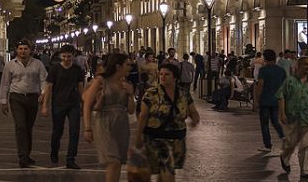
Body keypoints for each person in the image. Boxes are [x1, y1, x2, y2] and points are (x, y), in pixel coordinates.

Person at [136, 63, 200, 182]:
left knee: (164, 172)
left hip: (177, 139)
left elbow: (192, 111)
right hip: (156, 138)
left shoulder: (183, 93)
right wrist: (138, 136)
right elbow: (143, 116)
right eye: (161, 74)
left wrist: (195, 119)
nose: (163, 77)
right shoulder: (152, 93)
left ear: (175, 77)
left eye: (167, 74)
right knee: (168, 171)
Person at [83, 53, 135, 182]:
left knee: (118, 161)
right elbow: (87, 104)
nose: (130, 67)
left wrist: (130, 94)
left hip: (122, 124)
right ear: (118, 66)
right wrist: (87, 128)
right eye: (127, 64)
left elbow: (131, 110)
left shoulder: (126, 83)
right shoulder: (100, 81)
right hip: (104, 123)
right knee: (113, 161)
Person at [0, 40, 48, 168]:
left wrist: (43, 93)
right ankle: (22, 157)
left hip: (32, 98)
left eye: (25, 48)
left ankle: (27, 154)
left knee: (28, 127)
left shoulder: (38, 64)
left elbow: (43, 80)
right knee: (20, 127)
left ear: (30, 50)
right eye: (20, 48)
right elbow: (5, 83)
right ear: (16, 50)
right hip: (16, 98)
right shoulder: (10, 65)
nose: (23, 51)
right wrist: (3, 101)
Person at [41, 44, 85, 170]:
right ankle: (54, 150)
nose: (66, 59)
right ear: (61, 56)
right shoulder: (55, 69)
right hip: (58, 104)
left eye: (69, 56)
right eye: (64, 56)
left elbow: (81, 87)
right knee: (57, 131)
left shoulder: (77, 70)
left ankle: (71, 158)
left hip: (73, 104)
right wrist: (45, 105)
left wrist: (83, 103)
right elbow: (49, 87)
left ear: (73, 56)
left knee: (74, 131)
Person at [277, 56, 308, 179]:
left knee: (307, 144)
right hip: (292, 118)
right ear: (299, 66)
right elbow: (281, 96)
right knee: (291, 143)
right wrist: (282, 113)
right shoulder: (289, 81)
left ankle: (304, 171)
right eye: (306, 64)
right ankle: (285, 156)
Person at [255, 49, 286, 153]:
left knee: (264, 124)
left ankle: (267, 145)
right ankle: (283, 137)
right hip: (277, 99)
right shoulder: (281, 70)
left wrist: (257, 99)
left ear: (265, 58)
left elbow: (260, 85)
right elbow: (285, 86)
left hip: (265, 99)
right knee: (275, 121)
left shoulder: (263, 70)